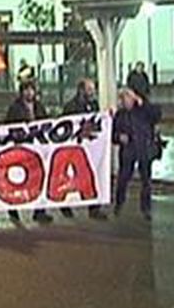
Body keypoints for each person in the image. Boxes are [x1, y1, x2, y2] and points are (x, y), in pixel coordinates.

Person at [60, 79, 109, 220]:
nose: (92, 92)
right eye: (89, 89)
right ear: (81, 90)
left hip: (89, 148)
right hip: (74, 148)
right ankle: (65, 204)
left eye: (93, 89)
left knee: (92, 174)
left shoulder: (93, 104)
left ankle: (94, 207)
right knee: (70, 175)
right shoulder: (70, 106)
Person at [4, 82, 52, 223]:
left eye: (32, 90)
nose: (29, 93)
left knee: (40, 177)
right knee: (17, 179)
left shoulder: (39, 107)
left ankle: (40, 210)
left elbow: (47, 122)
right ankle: (13, 210)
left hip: (37, 148)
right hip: (22, 148)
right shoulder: (15, 108)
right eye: (27, 90)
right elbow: (9, 126)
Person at [112, 87, 162, 221]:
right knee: (123, 178)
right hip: (128, 150)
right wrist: (118, 137)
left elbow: (157, 115)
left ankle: (146, 208)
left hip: (143, 149)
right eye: (123, 99)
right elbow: (112, 135)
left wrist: (143, 103)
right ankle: (119, 203)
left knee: (146, 180)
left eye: (128, 98)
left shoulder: (143, 110)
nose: (126, 101)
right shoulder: (120, 115)